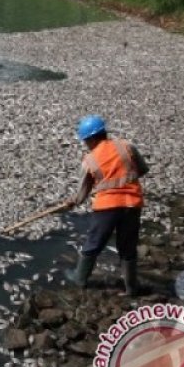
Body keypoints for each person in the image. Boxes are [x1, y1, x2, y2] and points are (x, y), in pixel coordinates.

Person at [64, 115, 149, 296]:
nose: (85, 144)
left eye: (85, 140)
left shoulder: (90, 160)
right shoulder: (126, 146)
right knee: (127, 247)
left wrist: (72, 202)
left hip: (107, 208)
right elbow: (143, 169)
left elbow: (82, 192)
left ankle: (79, 279)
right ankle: (131, 288)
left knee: (93, 243)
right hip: (132, 205)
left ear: (92, 138)